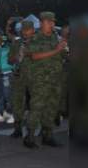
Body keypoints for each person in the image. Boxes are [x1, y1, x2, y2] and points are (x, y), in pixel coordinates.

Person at [25, 11, 67, 148]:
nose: (52, 24)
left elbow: (63, 55)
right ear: (42, 23)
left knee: (52, 107)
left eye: (53, 22)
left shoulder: (56, 37)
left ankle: (47, 135)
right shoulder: (35, 38)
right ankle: (29, 136)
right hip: (40, 80)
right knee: (37, 107)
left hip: (55, 79)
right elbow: (35, 56)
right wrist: (57, 49)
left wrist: (64, 50)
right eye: (49, 22)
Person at [8, 20, 35, 138]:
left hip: (34, 77)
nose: (25, 32)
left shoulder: (38, 42)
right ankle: (17, 128)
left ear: (33, 30)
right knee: (17, 102)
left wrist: (29, 54)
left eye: (28, 29)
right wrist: (17, 56)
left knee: (36, 104)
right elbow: (9, 60)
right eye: (23, 30)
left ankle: (33, 129)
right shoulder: (17, 43)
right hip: (19, 76)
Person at [0, 31, 13, 124]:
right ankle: (0, 114)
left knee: (7, 94)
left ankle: (11, 113)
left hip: (7, 72)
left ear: (1, 37)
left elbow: (12, 57)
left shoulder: (8, 46)